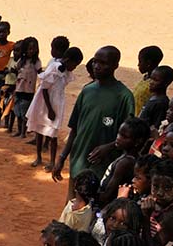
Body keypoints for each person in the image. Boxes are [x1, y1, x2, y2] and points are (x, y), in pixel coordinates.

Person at [52, 46, 136, 192]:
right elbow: (75, 129)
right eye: (95, 62)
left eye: (103, 63)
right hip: (78, 162)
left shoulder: (124, 97)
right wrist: (62, 157)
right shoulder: (87, 91)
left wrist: (108, 147)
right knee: (73, 207)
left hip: (103, 168)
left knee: (93, 209)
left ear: (115, 65)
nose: (97, 66)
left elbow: (129, 137)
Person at [26, 47, 83, 171]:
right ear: (68, 60)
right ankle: (39, 157)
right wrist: (50, 109)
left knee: (53, 134)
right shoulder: (53, 68)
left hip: (57, 103)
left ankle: (52, 162)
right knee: (40, 131)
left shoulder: (66, 71)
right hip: (45, 103)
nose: (74, 68)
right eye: (75, 64)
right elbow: (44, 89)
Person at [138, 65, 173, 131]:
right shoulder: (153, 98)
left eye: (155, 80)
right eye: (151, 78)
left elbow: (156, 127)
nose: (151, 82)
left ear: (166, 83)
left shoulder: (161, 103)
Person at [133, 45, 164, 116]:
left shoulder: (153, 85)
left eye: (140, 61)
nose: (138, 64)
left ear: (148, 63)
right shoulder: (146, 78)